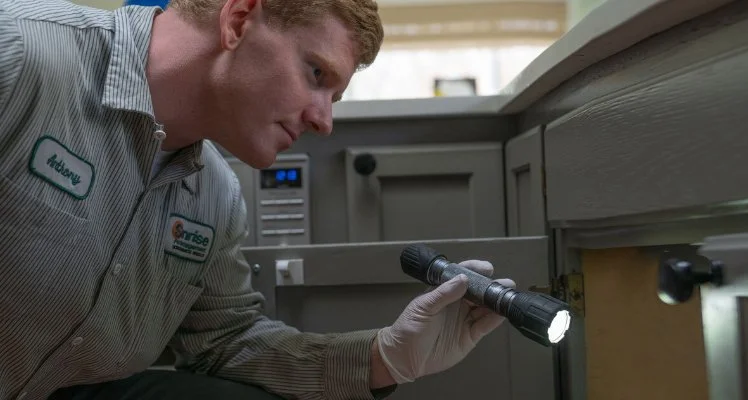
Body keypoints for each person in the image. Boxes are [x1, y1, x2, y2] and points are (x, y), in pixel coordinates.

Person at [0, 0, 515, 399]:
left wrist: (386, 356)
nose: (323, 120)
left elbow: (224, 343)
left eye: (333, 98)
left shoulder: (215, 195)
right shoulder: (21, 55)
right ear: (240, 18)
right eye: (316, 74)